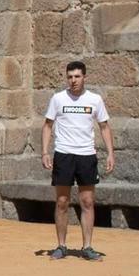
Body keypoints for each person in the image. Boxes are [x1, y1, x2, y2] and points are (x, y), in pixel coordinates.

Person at [41, 59, 116, 262]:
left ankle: (88, 247)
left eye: (77, 76)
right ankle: (61, 246)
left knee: (87, 201)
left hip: (86, 155)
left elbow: (104, 127)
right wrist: (45, 152)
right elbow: (48, 126)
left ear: (84, 77)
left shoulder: (95, 100)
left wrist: (110, 152)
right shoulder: (58, 99)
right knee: (62, 201)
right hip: (64, 154)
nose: (73, 80)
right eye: (70, 77)